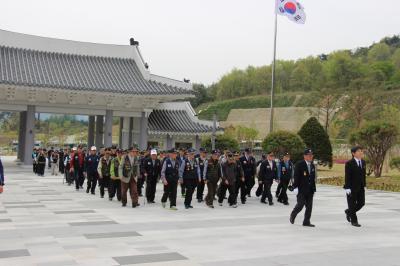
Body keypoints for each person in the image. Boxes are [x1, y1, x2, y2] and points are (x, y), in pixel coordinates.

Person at [290, 148, 317, 227]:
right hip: (301, 189)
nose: (310, 157)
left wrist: (314, 189)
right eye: (309, 155)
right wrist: (295, 187)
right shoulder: (299, 164)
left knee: (309, 207)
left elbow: (312, 178)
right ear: (304, 156)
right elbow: (296, 176)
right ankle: (293, 214)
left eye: (311, 155)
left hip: (310, 190)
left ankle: (306, 221)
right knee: (300, 204)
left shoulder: (312, 165)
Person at [344, 146, 366, 227]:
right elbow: (347, 176)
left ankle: (348, 212)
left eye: (361, 151)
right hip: (351, 188)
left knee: (361, 203)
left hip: (360, 187)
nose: (361, 152)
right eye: (358, 151)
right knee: (352, 204)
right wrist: (347, 187)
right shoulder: (349, 163)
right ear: (353, 153)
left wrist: (364, 185)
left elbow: (363, 175)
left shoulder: (363, 162)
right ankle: (354, 221)